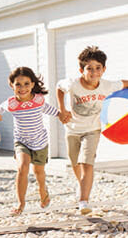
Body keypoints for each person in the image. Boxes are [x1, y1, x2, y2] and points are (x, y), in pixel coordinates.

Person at [56, 45, 128, 215]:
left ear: (104, 69)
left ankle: (83, 201)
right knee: (75, 164)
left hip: (92, 130)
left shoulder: (107, 85)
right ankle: (81, 186)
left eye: (98, 68)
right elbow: (59, 88)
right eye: (89, 68)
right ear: (81, 70)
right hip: (72, 129)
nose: (94, 72)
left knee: (86, 163)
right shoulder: (72, 84)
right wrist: (62, 110)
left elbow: (125, 83)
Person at [0, 67, 67, 216]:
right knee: (22, 167)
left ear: (33, 84)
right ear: (11, 85)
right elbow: (2, 107)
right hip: (22, 141)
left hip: (40, 141)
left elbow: (48, 109)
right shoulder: (12, 103)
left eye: (26, 84)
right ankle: (20, 204)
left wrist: (61, 114)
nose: (22, 88)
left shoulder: (38, 100)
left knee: (39, 172)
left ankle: (43, 190)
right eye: (18, 84)